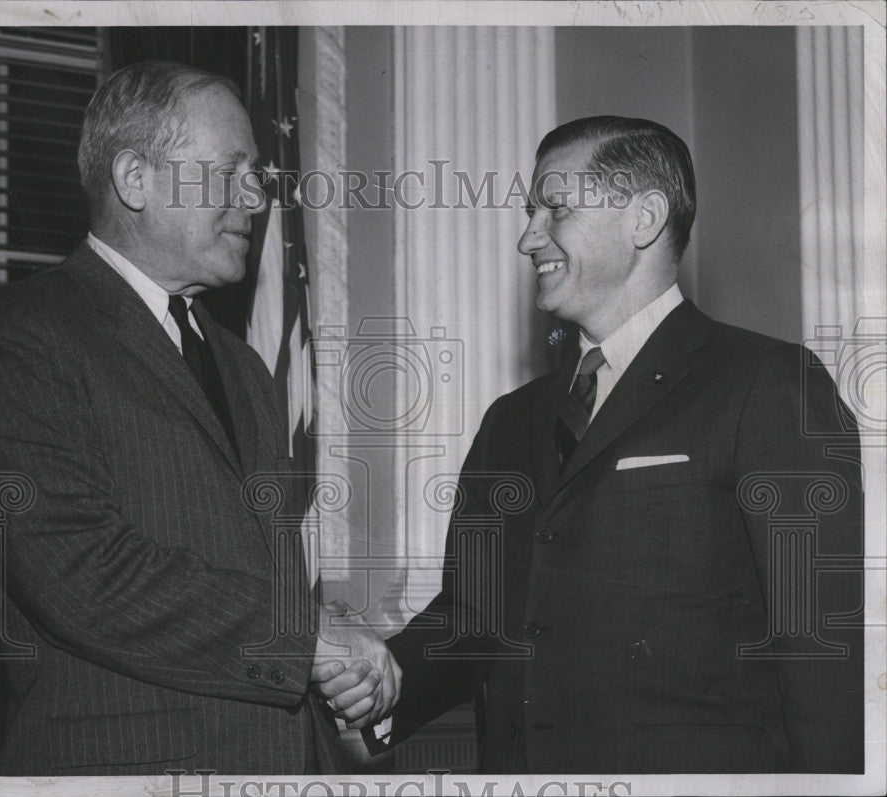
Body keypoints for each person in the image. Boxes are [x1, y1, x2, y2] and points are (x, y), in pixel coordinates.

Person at [314, 116, 865, 773]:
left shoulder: (766, 383)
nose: (527, 237)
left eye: (556, 209)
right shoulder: (508, 422)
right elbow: (473, 619)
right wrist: (388, 675)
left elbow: (820, 651)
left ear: (645, 218)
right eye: (529, 212)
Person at [0, 61, 398, 776]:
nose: (256, 195)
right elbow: (78, 570)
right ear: (135, 179)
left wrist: (330, 643)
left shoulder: (244, 366)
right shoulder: (9, 339)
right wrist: (304, 641)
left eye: (257, 173)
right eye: (229, 172)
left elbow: (253, 571)